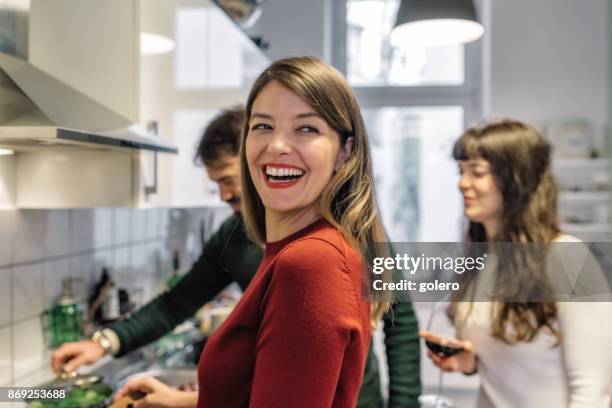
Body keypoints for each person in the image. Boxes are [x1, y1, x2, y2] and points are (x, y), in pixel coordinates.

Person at [54, 105, 422, 406]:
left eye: (228, 181)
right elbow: (178, 302)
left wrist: (404, 405)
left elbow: (399, 318)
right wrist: (103, 342)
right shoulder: (234, 235)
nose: (224, 196)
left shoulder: (342, 233)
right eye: (217, 185)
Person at [420, 119, 612, 407]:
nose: (463, 183)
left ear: (517, 180)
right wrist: (470, 362)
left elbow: (593, 394)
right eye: (461, 171)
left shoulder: (568, 258)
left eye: (477, 172)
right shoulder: (480, 258)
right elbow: (506, 364)